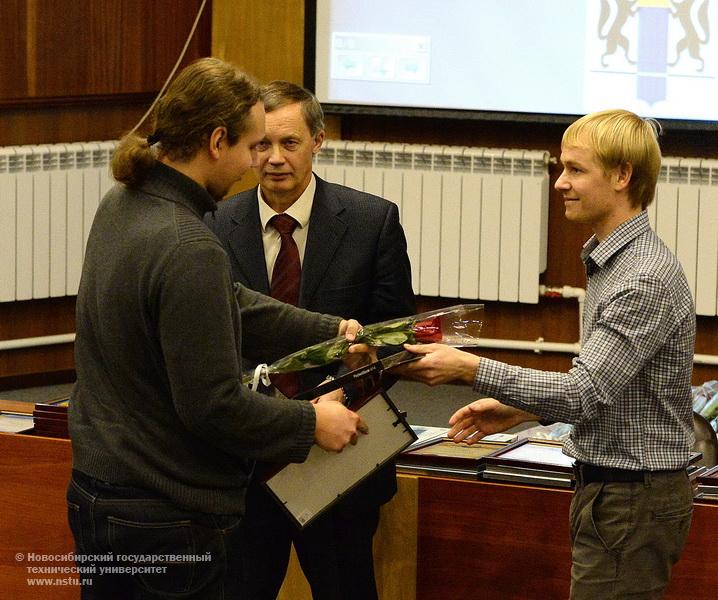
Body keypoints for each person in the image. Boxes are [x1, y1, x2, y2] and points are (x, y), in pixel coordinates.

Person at [66, 58, 369, 600]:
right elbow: (212, 404)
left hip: (102, 496)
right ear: (216, 141)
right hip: (165, 520)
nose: (258, 164)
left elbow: (227, 303)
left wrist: (333, 331)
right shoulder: (189, 244)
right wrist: (310, 423)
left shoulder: (125, 203)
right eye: (253, 146)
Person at [395, 109, 696, 600]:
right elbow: (610, 386)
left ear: (622, 177)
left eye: (576, 170)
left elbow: (582, 394)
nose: (560, 183)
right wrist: (520, 407)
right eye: (563, 168)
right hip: (618, 491)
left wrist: (470, 368)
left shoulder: (642, 277)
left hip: (631, 497)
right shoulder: (613, 259)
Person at [206, 80, 415, 600]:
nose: (274, 159)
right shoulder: (211, 225)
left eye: (290, 143)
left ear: (318, 141)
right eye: (261, 145)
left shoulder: (372, 221)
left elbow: (393, 337)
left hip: (339, 458)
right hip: (246, 460)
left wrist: (341, 390)